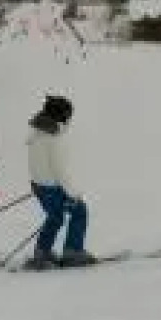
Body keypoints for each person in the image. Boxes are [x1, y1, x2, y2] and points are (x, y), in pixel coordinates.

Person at [25, 94, 93, 268]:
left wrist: (37, 184)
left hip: (40, 186)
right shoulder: (54, 139)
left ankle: (42, 252)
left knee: (55, 217)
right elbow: (60, 171)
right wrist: (73, 194)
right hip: (54, 188)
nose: (69, 120)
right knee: (80, 211)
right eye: (68, 116)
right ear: (61, 116)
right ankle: (73, 251)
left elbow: (37, 163)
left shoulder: (36, 134)